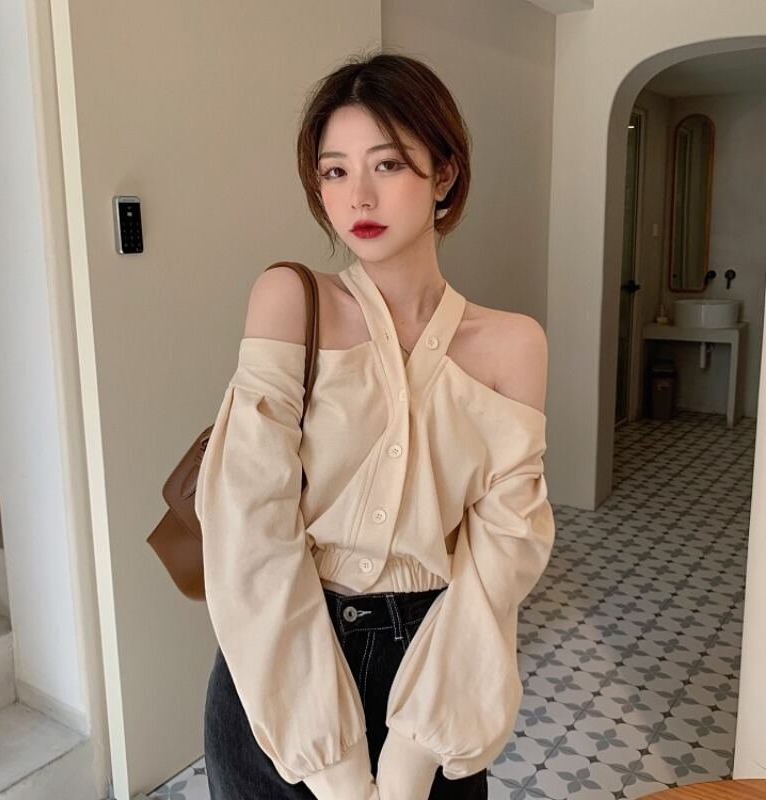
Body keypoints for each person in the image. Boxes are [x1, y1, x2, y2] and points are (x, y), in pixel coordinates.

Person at [195, 48, 556, 800]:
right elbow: (248, 524)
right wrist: (333, 767)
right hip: (283, 666)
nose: (357, 194)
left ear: (444, 174)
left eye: (387, 164)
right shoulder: (291, 301)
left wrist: (414, 752)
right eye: (334, 171)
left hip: (435, 669)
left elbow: (504, 551)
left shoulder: (513, 345)